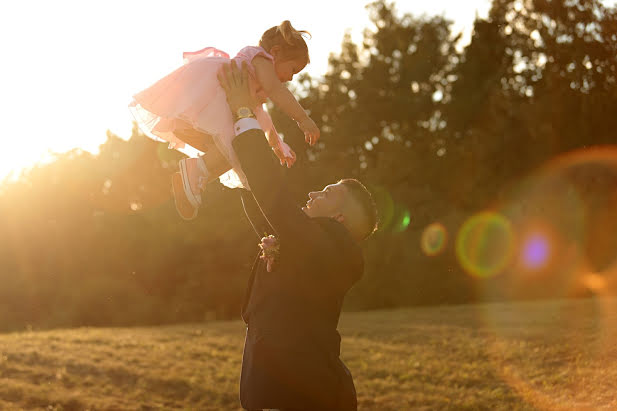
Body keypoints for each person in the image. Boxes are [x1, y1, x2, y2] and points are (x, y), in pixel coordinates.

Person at [214, 59, 379, 411]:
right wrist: (226, 129)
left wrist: (245, 109)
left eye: (326, 193)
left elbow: (274, 202)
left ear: (339, 218)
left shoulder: (335, 253)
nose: (311, 195)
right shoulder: (308, 245)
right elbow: (264, 206)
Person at [129, 20, 320, 220]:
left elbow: (263, 120)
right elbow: (277, 90)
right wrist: (303, 119)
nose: (290, 78)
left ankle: (194, 178)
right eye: (293, 69)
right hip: (217, 95)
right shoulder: (261, 59)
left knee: (239, 151)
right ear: (276, 52)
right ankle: (196, 169)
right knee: (238, 146)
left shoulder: (256, 83)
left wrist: (277, 146)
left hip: (221, 102)